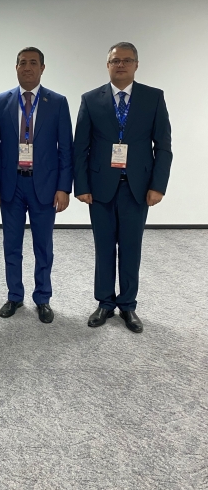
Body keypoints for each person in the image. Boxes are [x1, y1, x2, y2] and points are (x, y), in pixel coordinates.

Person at [74, 42, 172, 333]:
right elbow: (80, 148)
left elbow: (163, 146)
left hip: (137, 188)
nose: (121, 65)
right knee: (104, 247)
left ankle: (128, 305)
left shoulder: (153, 98)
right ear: (108, 65)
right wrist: (81, 185)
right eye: (115, 60)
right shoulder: (91, 99)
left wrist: (158, 186)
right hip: (100, 188)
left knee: (131, 247)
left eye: (127, 60)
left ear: (136, 65)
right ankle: (105, 303)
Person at [0, 47, 73, 322]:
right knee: (11, 245)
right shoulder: (1, 101)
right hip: (11, 185)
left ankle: (43, 298)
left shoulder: (57, 102)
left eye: (33, 63)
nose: (27, 67)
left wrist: (63, 187)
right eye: (22, 63)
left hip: (45, 186)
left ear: (42, 68)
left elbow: (66, 149)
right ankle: (14, 296)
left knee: (43, 246)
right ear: (16, 67)